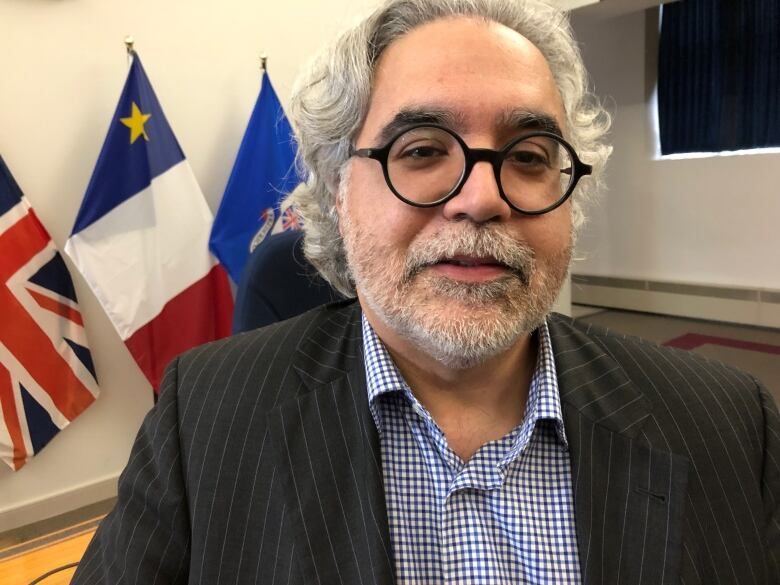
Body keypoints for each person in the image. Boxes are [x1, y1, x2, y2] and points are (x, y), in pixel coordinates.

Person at [73, 0, 780, 583]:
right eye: (420, 150)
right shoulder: (203, 417)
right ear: (337, 190)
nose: (479, 198)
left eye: (528, 157)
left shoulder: (731, 422)